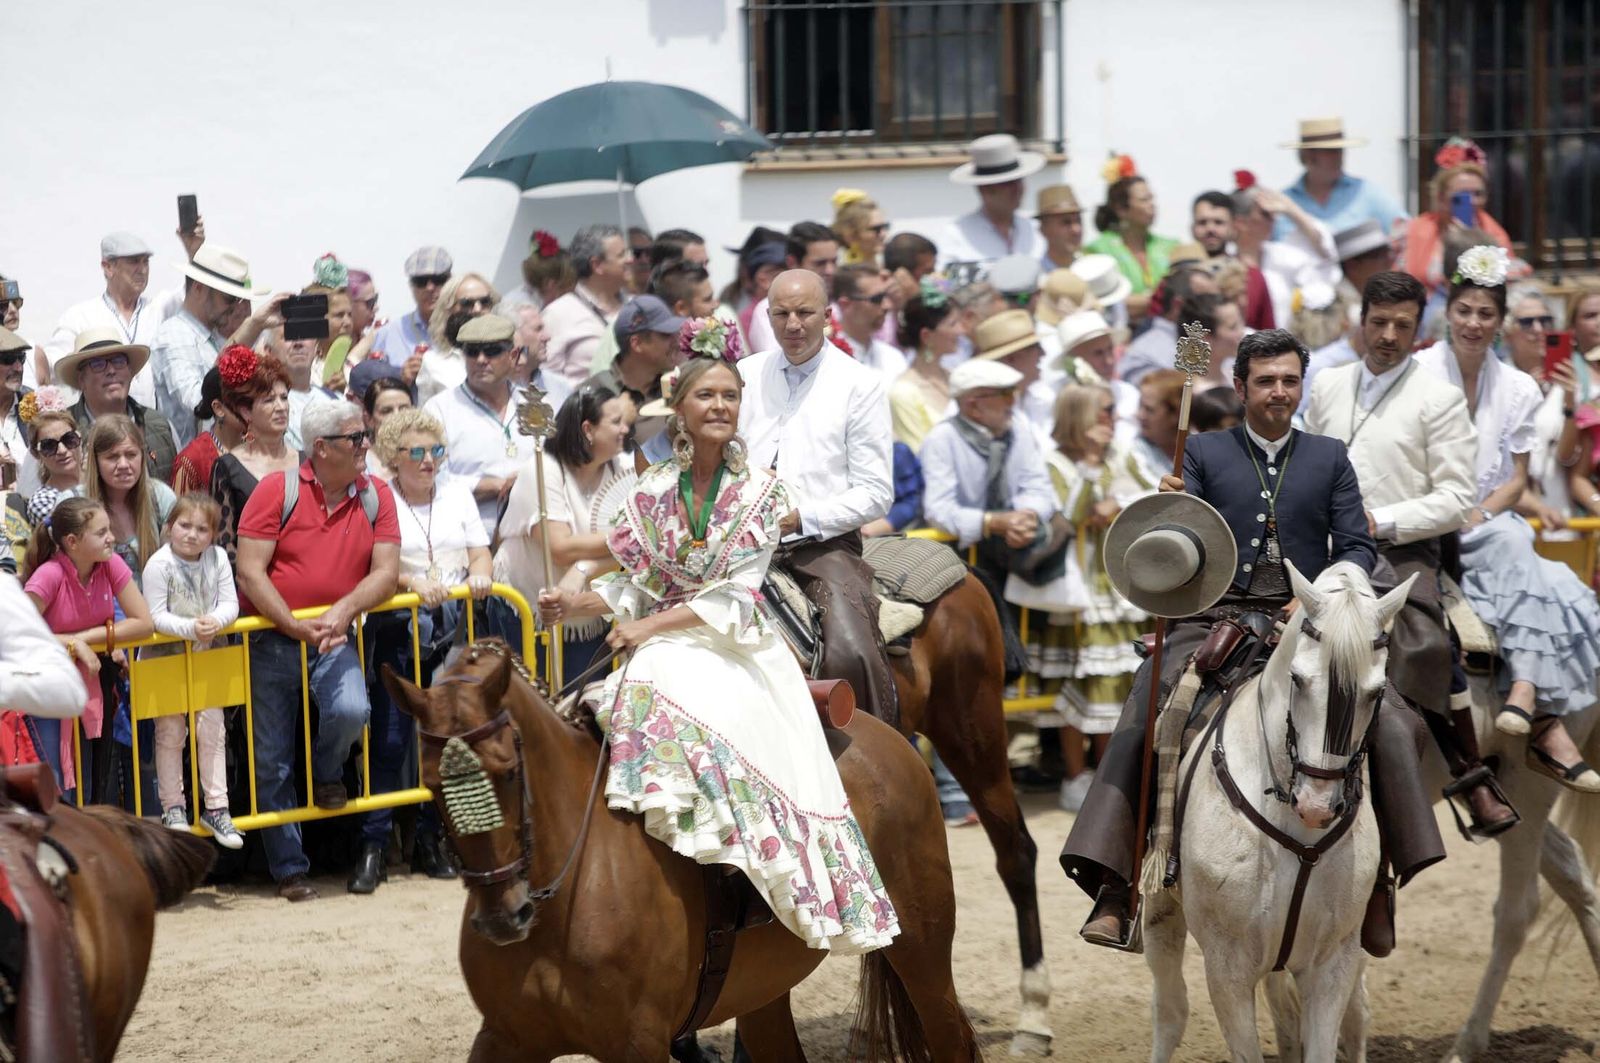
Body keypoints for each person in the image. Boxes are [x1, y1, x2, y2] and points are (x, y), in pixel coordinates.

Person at [1063, 328, 1439, 950]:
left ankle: (1379, 884)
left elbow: (1355, 547)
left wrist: (1318, 594)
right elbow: (1180, 542)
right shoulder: (1202, 453)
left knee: (1395, 721)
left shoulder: (1329, 456)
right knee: (1150, 699)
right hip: (1218, 617)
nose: (1279, 392)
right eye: (1266, 381)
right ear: (1239, 388)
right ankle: (1118, 881)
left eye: (1290, 380)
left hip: (1311, 619)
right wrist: (1171, 510)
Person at [536, 354, 899, 954]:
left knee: (650, 675)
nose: (721, 406)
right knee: (591, 704)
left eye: (730, 396)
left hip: (734, 641)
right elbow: (636, 582)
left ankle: (739, 860)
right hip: (664, 636)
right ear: (679, 409)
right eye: (707, 395)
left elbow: (737, 595)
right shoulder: (651, 491)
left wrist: (646, 627)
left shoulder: (762, 491)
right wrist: (571, 605)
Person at [1306, 270, 1519, 833]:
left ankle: (1469, 772)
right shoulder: (1327, 384)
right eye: (1378, 322)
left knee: (1425, 641)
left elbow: (1455, 498)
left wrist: (1380, 520)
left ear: (1419, 328)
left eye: (1402, 326)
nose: (1388, 336)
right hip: (1322, 547)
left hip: (1399, 551)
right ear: (1361, 321)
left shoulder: (1439, 398)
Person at [1413, 251, 1600, 792]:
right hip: (1425, 516)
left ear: (1499, 322)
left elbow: (1517, 479)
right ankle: (1542, 720)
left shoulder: (1518, 386)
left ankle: (1525, 692)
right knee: (1544, 571)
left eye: (1485, 314)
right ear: (1449, 313)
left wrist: (1480, 513)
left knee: (1530, 556)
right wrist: (1444, 512)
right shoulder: (1419, 371)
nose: (1474, 323)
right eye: (1464, 311)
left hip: (1487, 520)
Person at [234, 399, 401, 902]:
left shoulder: (377, 494)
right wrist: (291, 625)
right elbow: (250, 571)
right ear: (322, 448)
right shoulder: (274, 490)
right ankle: (288, 870)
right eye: (356, 437)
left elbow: (386, 574)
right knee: (271, 758)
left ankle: (328, 772)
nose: (366, 444)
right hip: (270, 640)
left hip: (334, 636)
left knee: (351, 711)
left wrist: (343, 611)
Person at [738, 270, 898, 724]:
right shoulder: (746, 374)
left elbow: (876, 493)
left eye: (805, 313)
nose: (793, 324)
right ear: (768, 317)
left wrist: (800, 518)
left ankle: (873, 747)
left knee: (849, 648)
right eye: (781, 314)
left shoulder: (859, 383)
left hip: (821, 545)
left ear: (827, 316)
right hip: (738, 542)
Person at [353, 408, 492, 893]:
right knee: (390, 740)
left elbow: (479, 550)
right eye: (417, 451)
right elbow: (371, 562)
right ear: (394, 456)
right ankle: (374, 844)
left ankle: (432, 840)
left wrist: (481, 573)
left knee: (448, 737)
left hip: (452, 625)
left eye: (436, 450)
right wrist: (411, 581)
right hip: (397, 625)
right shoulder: (377, 496)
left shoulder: (457, 492)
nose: (429, 460)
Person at [1043, 383, 1150, 812]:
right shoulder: (1053, 461)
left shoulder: (1122, 453)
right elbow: (1069, 516)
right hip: (1081, 589)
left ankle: (1108, 775)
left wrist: (1117, 502)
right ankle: (1075, 776)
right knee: (1081, 683)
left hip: (1121, 584)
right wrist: (1089, 464)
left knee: (1119, 685)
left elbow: (1157, 491)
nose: (1113, 417)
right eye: (1105, 410)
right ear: (1081, 415)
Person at [493, 385, 631, 673]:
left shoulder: (623, 468)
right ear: (588, 429)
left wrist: (585, 567)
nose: (625, 429)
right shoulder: (543, 469)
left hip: (586, 607)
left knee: (583, 696)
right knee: (536, 696)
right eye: (616, 422)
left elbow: (636, 554)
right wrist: (627, 537)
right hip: (526, 607)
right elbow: (560, 548)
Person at [24, 496, 153, 801]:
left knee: (94, 782)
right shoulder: (49, 575)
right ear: (72, 542)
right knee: (59, 783)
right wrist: (73, 644)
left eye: (109, 529)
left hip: (94, 684)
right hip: (48, 692)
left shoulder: (110, 564)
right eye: (101, 532)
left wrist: (83, 639)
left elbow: (144, 623)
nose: (112, 538)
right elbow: (18, 631)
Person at [142, 494, 243, 848]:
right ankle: (173, 807)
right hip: (165, 658)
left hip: (208, 657)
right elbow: (155, 615)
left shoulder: (217, 558)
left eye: (202, 529)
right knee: (171, 732)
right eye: (184, 526)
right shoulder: (158, 565)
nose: (192, 534)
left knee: (212, 729)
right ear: (169, 527)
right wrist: (191, 628)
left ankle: (217, 807)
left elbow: (230, 603)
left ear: (213, 534)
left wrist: (215, 620)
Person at [44, 230, 198, 408]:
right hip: (101, 422)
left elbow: (195, 294)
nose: (142, 270)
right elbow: (51, 366)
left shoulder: (159, 308)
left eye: (145, 262)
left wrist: (194, 252)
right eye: (134, 261)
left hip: (151, 421)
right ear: (108, 267)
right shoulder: (80, 316)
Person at [424, 314, 541, 535]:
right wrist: (496, 486)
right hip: (469, 536)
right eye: (472, 351)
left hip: (531, 534)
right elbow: (432, 477)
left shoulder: (535, 404)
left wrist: (525, 481)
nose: (480, 359)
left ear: (513, 355)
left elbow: (556, 465)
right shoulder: (439, 409)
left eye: (492, 351)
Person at [149, 244, 262, 447]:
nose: (234, 306)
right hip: (190, 463)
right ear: (199, 288)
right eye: (229, 298)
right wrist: (254, 326)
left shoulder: (214, 338)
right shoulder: (174, 334)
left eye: (238, 299)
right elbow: (198, 402)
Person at [1398, 138, 1519, 296]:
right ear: (1441, 197)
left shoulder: (1494, 234)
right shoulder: (1415, 230)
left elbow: (1502, 284)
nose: (1473, 201)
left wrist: (1470, 240)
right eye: (1463, 195)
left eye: (1478, 194)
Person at [1502, 284, 1582, 523]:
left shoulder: (1569, 381)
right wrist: (1527, 398)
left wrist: (1570, 403)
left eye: (1546, 321)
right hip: (1512, 517)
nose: (1538, 329)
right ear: (1508, 332)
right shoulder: (1498, 381)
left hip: (1561, 514)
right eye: (1527, 322)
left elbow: (1568, 457)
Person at [209, 347, 297, 563]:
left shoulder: (306, 462)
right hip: (249, 577)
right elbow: (224, 543)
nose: (281, 407)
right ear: (246, 411)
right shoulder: (228, 467)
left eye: (284, 398)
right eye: (269, 400)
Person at [58, 329, 178, 486]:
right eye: (98, 364)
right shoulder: (59, 433)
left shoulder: (159, 425)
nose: (111, 370)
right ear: (81, 379)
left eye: (119, 361)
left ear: (130, 371)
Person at [1231, 180, 1342, 333]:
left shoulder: (1282, 256)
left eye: (1275, 215)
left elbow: (1326, 254)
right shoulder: (1226, 261)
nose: (1274, 220)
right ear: (1241, 222)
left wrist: (1290, 209)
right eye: (1265, 214)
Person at [1279, 116, 1408, 239]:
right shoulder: (1282, 203)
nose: (1339, 156)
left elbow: (1407, 232)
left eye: (1340, 149)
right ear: (1309, 156)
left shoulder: (1366, 192)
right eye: (1331, 151)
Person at [82, 415, 176, 582]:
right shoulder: (76, 502)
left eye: (131, 455)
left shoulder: (160, 496)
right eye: (112, 457)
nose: (124, 465)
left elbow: (180, 563)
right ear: (95, 460)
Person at [939, 134, 1046, 269]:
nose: (1018, 189)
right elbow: (944, 279)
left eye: (1019, 180)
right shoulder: (956, 235)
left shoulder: (1035, 230)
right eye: (1008, 183)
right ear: (985, 189)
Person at [543, 224, 631, 385]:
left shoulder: (635, 305)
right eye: (621, 255)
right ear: (597, 265)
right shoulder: (558, 314)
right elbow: (544, 379)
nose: (630, 259)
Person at [1085, 169, 1178, 322]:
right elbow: (1107, 302)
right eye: (1144, 200)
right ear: (1121, 209)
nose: (1152, 205)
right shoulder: (1099, 250)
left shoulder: (1170, 246)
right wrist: (1159, 301)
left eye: (1152, 198)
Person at [744, 222, 841, 355]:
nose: (830, 271)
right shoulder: (768, 309)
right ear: (792, 262)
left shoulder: (839, 306)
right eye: (820, 263)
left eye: (834, 262)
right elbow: (783, 360)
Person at [1115, 265, 1218, 385]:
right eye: (1207, 300)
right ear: (1178, 305)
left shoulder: (1217, 342)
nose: (1217, 307)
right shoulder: (1146, 356)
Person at [583, 295, 683, 417]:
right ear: (637, 343)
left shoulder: (678, 385)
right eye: (665, 335)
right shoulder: (591, 395)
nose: (677, 342)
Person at [889, 285, 963, 449]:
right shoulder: (903, 392)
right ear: (926, 335)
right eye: (953, 324)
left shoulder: (955, 377)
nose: (961, 331)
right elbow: (918, 450)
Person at [368, 245, 452, 386]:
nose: (430, 288)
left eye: (438, 280)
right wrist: (400, 379)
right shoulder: (388, 333)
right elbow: (372, 389)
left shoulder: (464, 330)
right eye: (421, 282)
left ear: (450, 281)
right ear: (411, 285)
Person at [1054, 310, 1139, 447]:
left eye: (1110, 349)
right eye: (1098, 353)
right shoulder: (1056, 400)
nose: (1109, 361)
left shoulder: (1128, 393)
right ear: (1075, 359)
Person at [1191, 191, 1274, 330]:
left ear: (1233, 226)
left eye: (1218, 222)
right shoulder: (1179, 276)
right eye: (1202, 222)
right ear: (1192, 227)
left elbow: (1269, 333)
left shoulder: (1252, 277)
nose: (1210, 229)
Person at [416, 272, 500, 406]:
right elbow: (425, 416)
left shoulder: (508, 355)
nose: (477, 309)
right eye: (467, 303)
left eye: (485, 302)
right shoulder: (433, 362)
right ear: (448, 310)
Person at [833, 263, 908, 386]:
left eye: (886, 296)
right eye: (877, 299)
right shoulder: (826, 358)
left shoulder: (893, 358)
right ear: (845, 304)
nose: (887, 306)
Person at [170, 368, 243, 494]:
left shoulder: (259, 445)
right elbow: (182, 506)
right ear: (218, 408)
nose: (252, 408)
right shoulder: (193, 460)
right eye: (242, 401)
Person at [14, 405, 83, 532]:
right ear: (36, 453)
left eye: (69, 439)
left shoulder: (102, 475)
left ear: (78, 438)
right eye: (49, 446)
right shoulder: (43, 501)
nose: (62, 450)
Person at [269, 331, 339, 452]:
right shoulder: (261, 404)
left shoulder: (335, 400)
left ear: (316, 347)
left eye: (305, 334)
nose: (298, 343)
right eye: (288, 336)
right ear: (268, 351)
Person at [498, 229, 576, 315]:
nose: (569, 296)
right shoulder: (521, 309)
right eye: (565, 290)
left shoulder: (533, 299)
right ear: (550, 284)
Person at [1130, 368, 1185, 482]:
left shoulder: (1200, 450)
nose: (1140, 415)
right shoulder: (1133, 455)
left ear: (1176, 414)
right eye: (1140, 406)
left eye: (1149, 410)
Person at [357, 375, 414, 480]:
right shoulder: (360, 468)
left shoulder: (429, 458)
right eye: (386, 411)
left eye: (404, 409)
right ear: (369, 419)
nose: (397, 416)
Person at [832, 188, 889, 265]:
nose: (883, 234)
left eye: (885, 226)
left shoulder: (887, 265)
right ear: (850, 235)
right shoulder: (841, 269)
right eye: (876, 229)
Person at [1037, 185, 1085, 270]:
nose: (1076, 230)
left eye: (1078, 221)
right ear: (1044, 229)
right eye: (1066, 222)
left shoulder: (1089, 270)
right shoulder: (1035, 275)